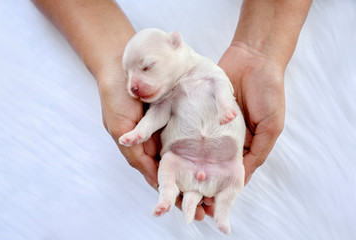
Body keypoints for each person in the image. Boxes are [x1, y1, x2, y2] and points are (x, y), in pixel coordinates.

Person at [32, 0, 312, 221]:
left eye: (146, 67)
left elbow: (219, 83)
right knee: (168, 166)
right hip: (184, 153)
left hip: (220, 151)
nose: (133, 86)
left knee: (235, 173)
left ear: (175, 45)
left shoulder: (203, 70)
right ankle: (167, 196)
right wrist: (111, 61)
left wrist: (259, 52)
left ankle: (222, 213)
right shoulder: (164, 92)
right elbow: (159, 114)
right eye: (127, 74)